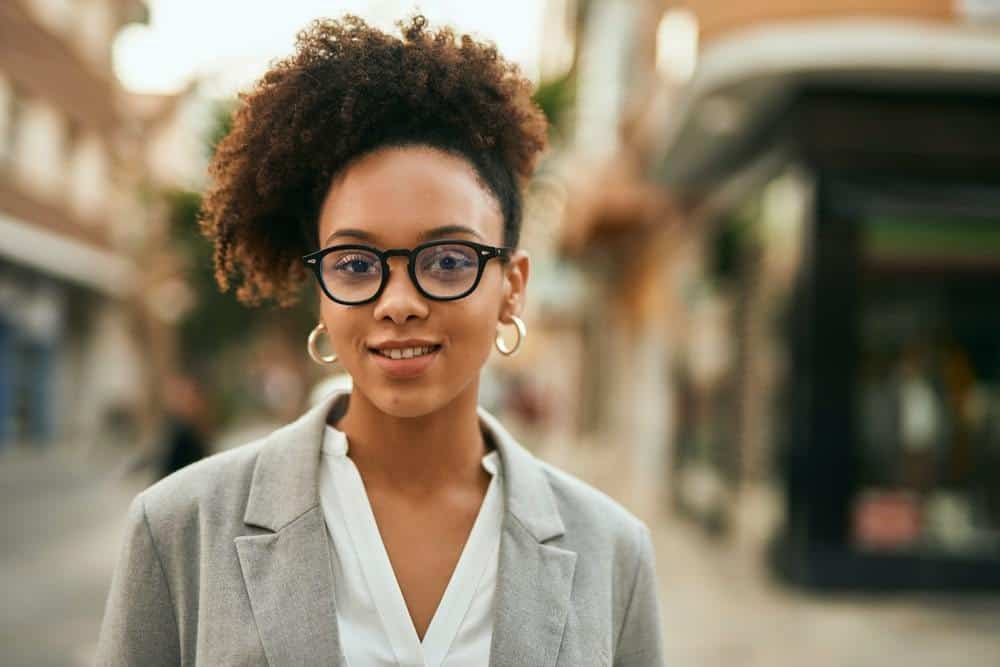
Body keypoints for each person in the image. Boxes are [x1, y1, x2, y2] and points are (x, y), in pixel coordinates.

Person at [96, 15, 664, 666]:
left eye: (448, 260)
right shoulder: (177, 529)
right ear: (320, 287)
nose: (397, 303)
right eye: (356, 264)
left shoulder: (612, 550)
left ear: (512, 285)